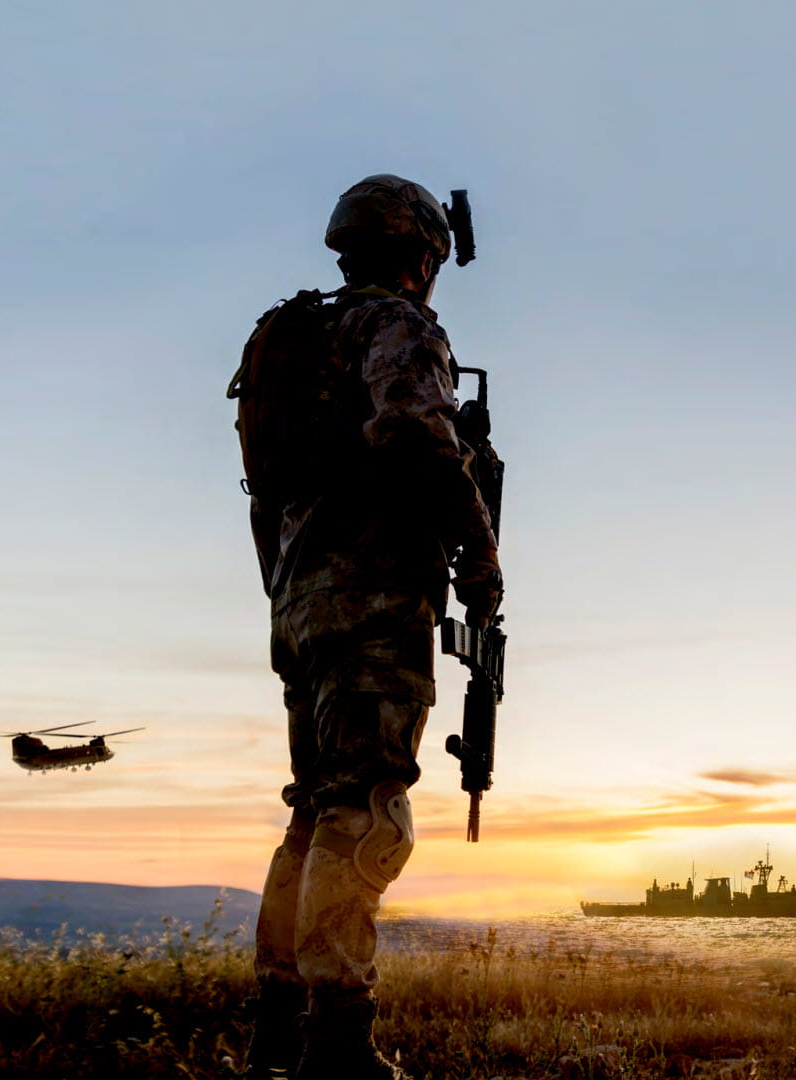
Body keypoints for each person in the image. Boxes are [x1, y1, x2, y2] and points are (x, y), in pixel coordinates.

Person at [233, 174, 502, 1079]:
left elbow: (263, 489)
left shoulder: (290, 337)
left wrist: (289, 592)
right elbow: (414, 434)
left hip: (300, 602)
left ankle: (279, 1028)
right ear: (422, 254)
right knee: (368, 807)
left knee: (315, 807)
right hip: (375, 600)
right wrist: (479, 549)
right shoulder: (397, 325)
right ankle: (338, 1045)